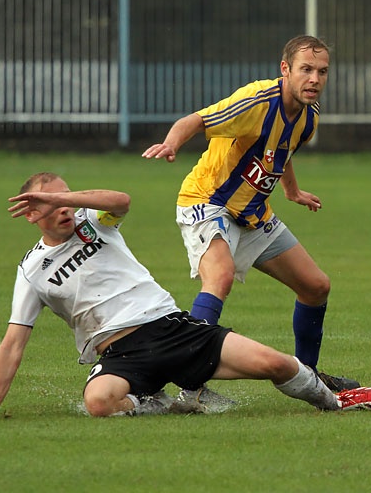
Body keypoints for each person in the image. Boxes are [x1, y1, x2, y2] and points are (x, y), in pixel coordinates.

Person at [0, 172, 371, 418]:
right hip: (122, 355)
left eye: (63, 198)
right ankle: (163, 403)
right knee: (98, 403)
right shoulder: (32, 269)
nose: (62, 208)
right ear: (30, 213)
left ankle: (333, 402)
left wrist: (61, 195)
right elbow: (13, 343)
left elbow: (122, 199)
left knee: (275, 363)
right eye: (48, 202)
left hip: (172, 328)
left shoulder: (94, 220)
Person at [141, 35, 359, 407]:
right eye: (306, 70)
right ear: (285, 69)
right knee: (220, 277)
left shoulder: (310, 116)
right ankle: (190, 389)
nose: (314, 79)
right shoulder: (256, 101)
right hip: (208, 202)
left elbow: (280, 151)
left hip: (254, 213)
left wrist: (292, 191)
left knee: (315, 286)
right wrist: (173, 143)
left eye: (322, 71)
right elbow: (195, 119)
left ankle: (307, 375)